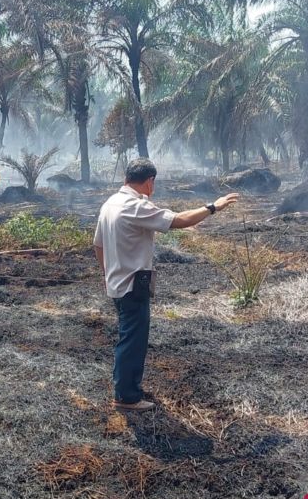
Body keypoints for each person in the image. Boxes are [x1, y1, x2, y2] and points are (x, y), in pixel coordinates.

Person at [93, 158, 239, 411]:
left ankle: (126, 386)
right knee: (132, 340)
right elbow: (179, 220)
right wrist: (213, 207)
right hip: (132, 284)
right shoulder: (133, 206)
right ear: (149, 181)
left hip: (117, 282)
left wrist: (108, 273)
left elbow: (98, 245)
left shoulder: (110, 203)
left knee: (127, 336)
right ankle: (127, 397)